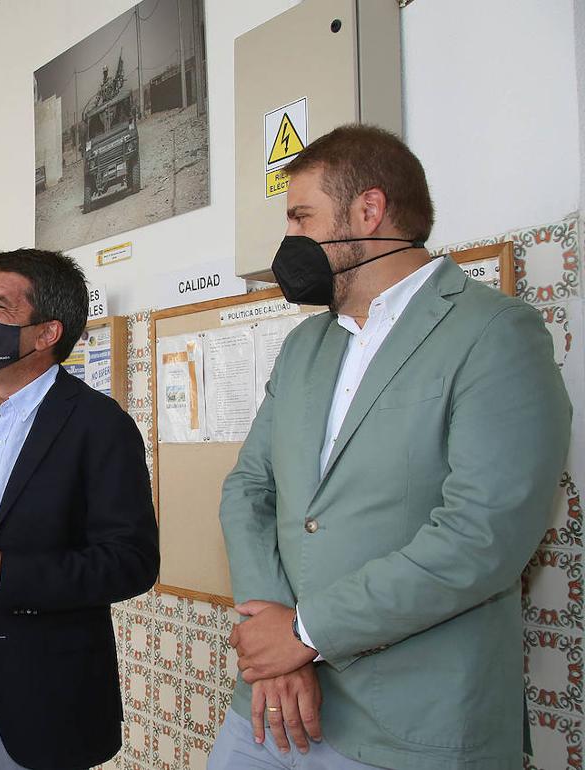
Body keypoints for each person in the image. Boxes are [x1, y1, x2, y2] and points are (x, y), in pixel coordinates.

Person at [211, 125, 571, 769]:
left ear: (368, 211)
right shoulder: (304, 347)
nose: (288, 240)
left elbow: (482, 536)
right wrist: (274, 635)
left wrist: (305, 633)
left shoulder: (494, 333)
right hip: (269, 709)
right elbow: (249, 490)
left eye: (301, 216)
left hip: (412, 727)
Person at [0, 248, 159, 770]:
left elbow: (132, 561)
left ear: (47, 334)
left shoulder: (99, 425)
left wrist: (6, 574)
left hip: (47, 688)